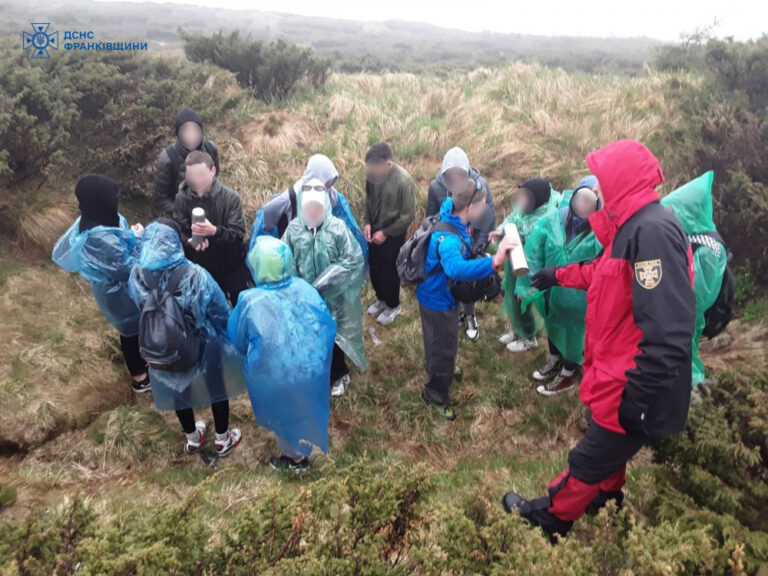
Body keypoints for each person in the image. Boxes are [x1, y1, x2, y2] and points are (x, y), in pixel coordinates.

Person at [501, 140, 696, 540]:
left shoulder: (652, 233)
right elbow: (602, 273)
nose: (597, 195)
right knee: (609, 451)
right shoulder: (630, 230)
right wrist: (557, 275)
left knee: (589, 457)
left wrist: (638, 396)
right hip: (616, 373)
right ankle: (607, 500)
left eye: (604, 185)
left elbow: (669, 329)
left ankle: (551, 519)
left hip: (632, 382)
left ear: (622, 183)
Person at [129, 221, 246, 457]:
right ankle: (222, 439)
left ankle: (192, 438)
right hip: (203, 342)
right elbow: (220, 310)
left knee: (178, 388)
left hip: (161, 344)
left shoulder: (138, 275)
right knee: (217, 387)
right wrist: (230, 337)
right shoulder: (195, 274)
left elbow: (139, 304)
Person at [228, 236, 336, 473]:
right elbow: (326, 324)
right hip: (310, 366)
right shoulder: (304, 287)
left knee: (284, 414)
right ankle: (307, 441)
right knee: (304, 404)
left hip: (276, 373)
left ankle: (296, 460)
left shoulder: (250, 300)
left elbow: (238, 337)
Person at [417, 179, 516, 420]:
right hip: (439, 301)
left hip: (433, 294)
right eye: (481, 205)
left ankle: (442, 367)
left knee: (436, 339)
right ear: (469, 207)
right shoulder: (448, 239)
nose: (484, 209)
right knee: (444, 344)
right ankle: (435, 393)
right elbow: (456, 269)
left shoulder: (451, 214)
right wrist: (495, 261)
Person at [52, 174, 150, 394]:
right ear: (99, 199)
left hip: (117, 288)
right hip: (118, 293)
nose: (115, 200)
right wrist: (140, 238)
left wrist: (130, 236)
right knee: (131, 331)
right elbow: (125, 268)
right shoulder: (98, 236)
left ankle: (144, 367)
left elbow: (120, 240)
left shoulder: (99, 216)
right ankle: (140, 378)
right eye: (111, 196)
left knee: (135, 329)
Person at [517, 175, 602, 396]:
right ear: (572, 198)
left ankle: (567, 372)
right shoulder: (555, 220)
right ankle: (554, 358)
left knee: (574, 332)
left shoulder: (600, 232)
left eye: (589, 202)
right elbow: (533, 251)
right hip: (551, 288)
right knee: (552, 323)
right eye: (579, 200)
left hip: (579, 297)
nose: (582, 206)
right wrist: (525, 286)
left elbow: (602, 264)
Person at [282, 178, 367, 397]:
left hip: (335, 296)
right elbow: (285, 260)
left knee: (334, 335)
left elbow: (352, 260)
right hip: (304, 296)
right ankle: (318, 373)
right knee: (310, 335)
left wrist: (322, 284)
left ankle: (339, 373)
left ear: (325, 206)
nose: (312, 211)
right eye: (308, 207)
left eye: (317, 207)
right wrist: (299, 287)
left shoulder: (337, 229)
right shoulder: (293, 230)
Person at [661, 171, 727, 389]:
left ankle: (693, 388)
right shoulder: (690, 237)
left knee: (685, 350)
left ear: (687, 213)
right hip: (680, 314)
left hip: (688, 316)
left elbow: (694, 299)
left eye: (672, 212)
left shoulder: (707, 249)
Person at [248, 154, 368, 268]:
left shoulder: (329, 193)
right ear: (317, 177)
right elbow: (269, 212)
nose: (329, 185)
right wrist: (268, 231)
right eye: (327, 181)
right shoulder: (291, 197)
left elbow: (340, 214)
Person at [426, 147, 496, 340]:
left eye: (460, 174)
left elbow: (488, 217)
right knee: (451, 276)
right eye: (451, 174)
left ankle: (470, 313)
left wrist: (480, 245)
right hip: (448, 239)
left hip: (473, 239)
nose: (455, 178)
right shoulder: (436, 187)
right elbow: (431, 217)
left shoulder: (480, 185)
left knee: (469, 279)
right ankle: (453, 311)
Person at [173, 150, 249, 306]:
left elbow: (238, 234)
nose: (195, 180)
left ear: (213, 171)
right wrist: (190, 242)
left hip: (231, 264)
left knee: (241, 304)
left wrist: (214, 231)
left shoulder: (230, 197)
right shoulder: (182, 198)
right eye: (191, 176)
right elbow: (178, 230)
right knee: (211, 309)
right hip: (201, 266)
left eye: (200, 174)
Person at [492, 178, 557, 352]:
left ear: (538, 200)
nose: (521, 201)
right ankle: (517, 328)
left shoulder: (545, 221)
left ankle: (529, 337)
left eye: (526, 197)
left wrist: (525, 286)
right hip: (515, 260)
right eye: (521, 196)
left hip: (530, 270)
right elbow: (511, 220)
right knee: (511, 297)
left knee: (523, 303)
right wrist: (499, 232)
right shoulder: (524, 209)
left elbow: (535, 258)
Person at [363, 142, 416, 326]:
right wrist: (367, 223)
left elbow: (408, 215)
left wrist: (386, 233)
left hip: (393, 235)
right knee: (375, 269)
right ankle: (381, 300)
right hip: (374, 232)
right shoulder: (372, 176)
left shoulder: (403, 180)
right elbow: (368, 201)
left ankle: (393, 305)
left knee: (390, 271)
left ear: (388, 164)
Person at [153, 107, 220, 218]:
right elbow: (161, 201)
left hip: (208, 212)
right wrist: (185, 213)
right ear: (178, 134)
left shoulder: (210, 149)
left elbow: (215, 180)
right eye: (185, 131)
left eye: (195, 130)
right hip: (177, 216)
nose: (191, 135)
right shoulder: (168, 158)